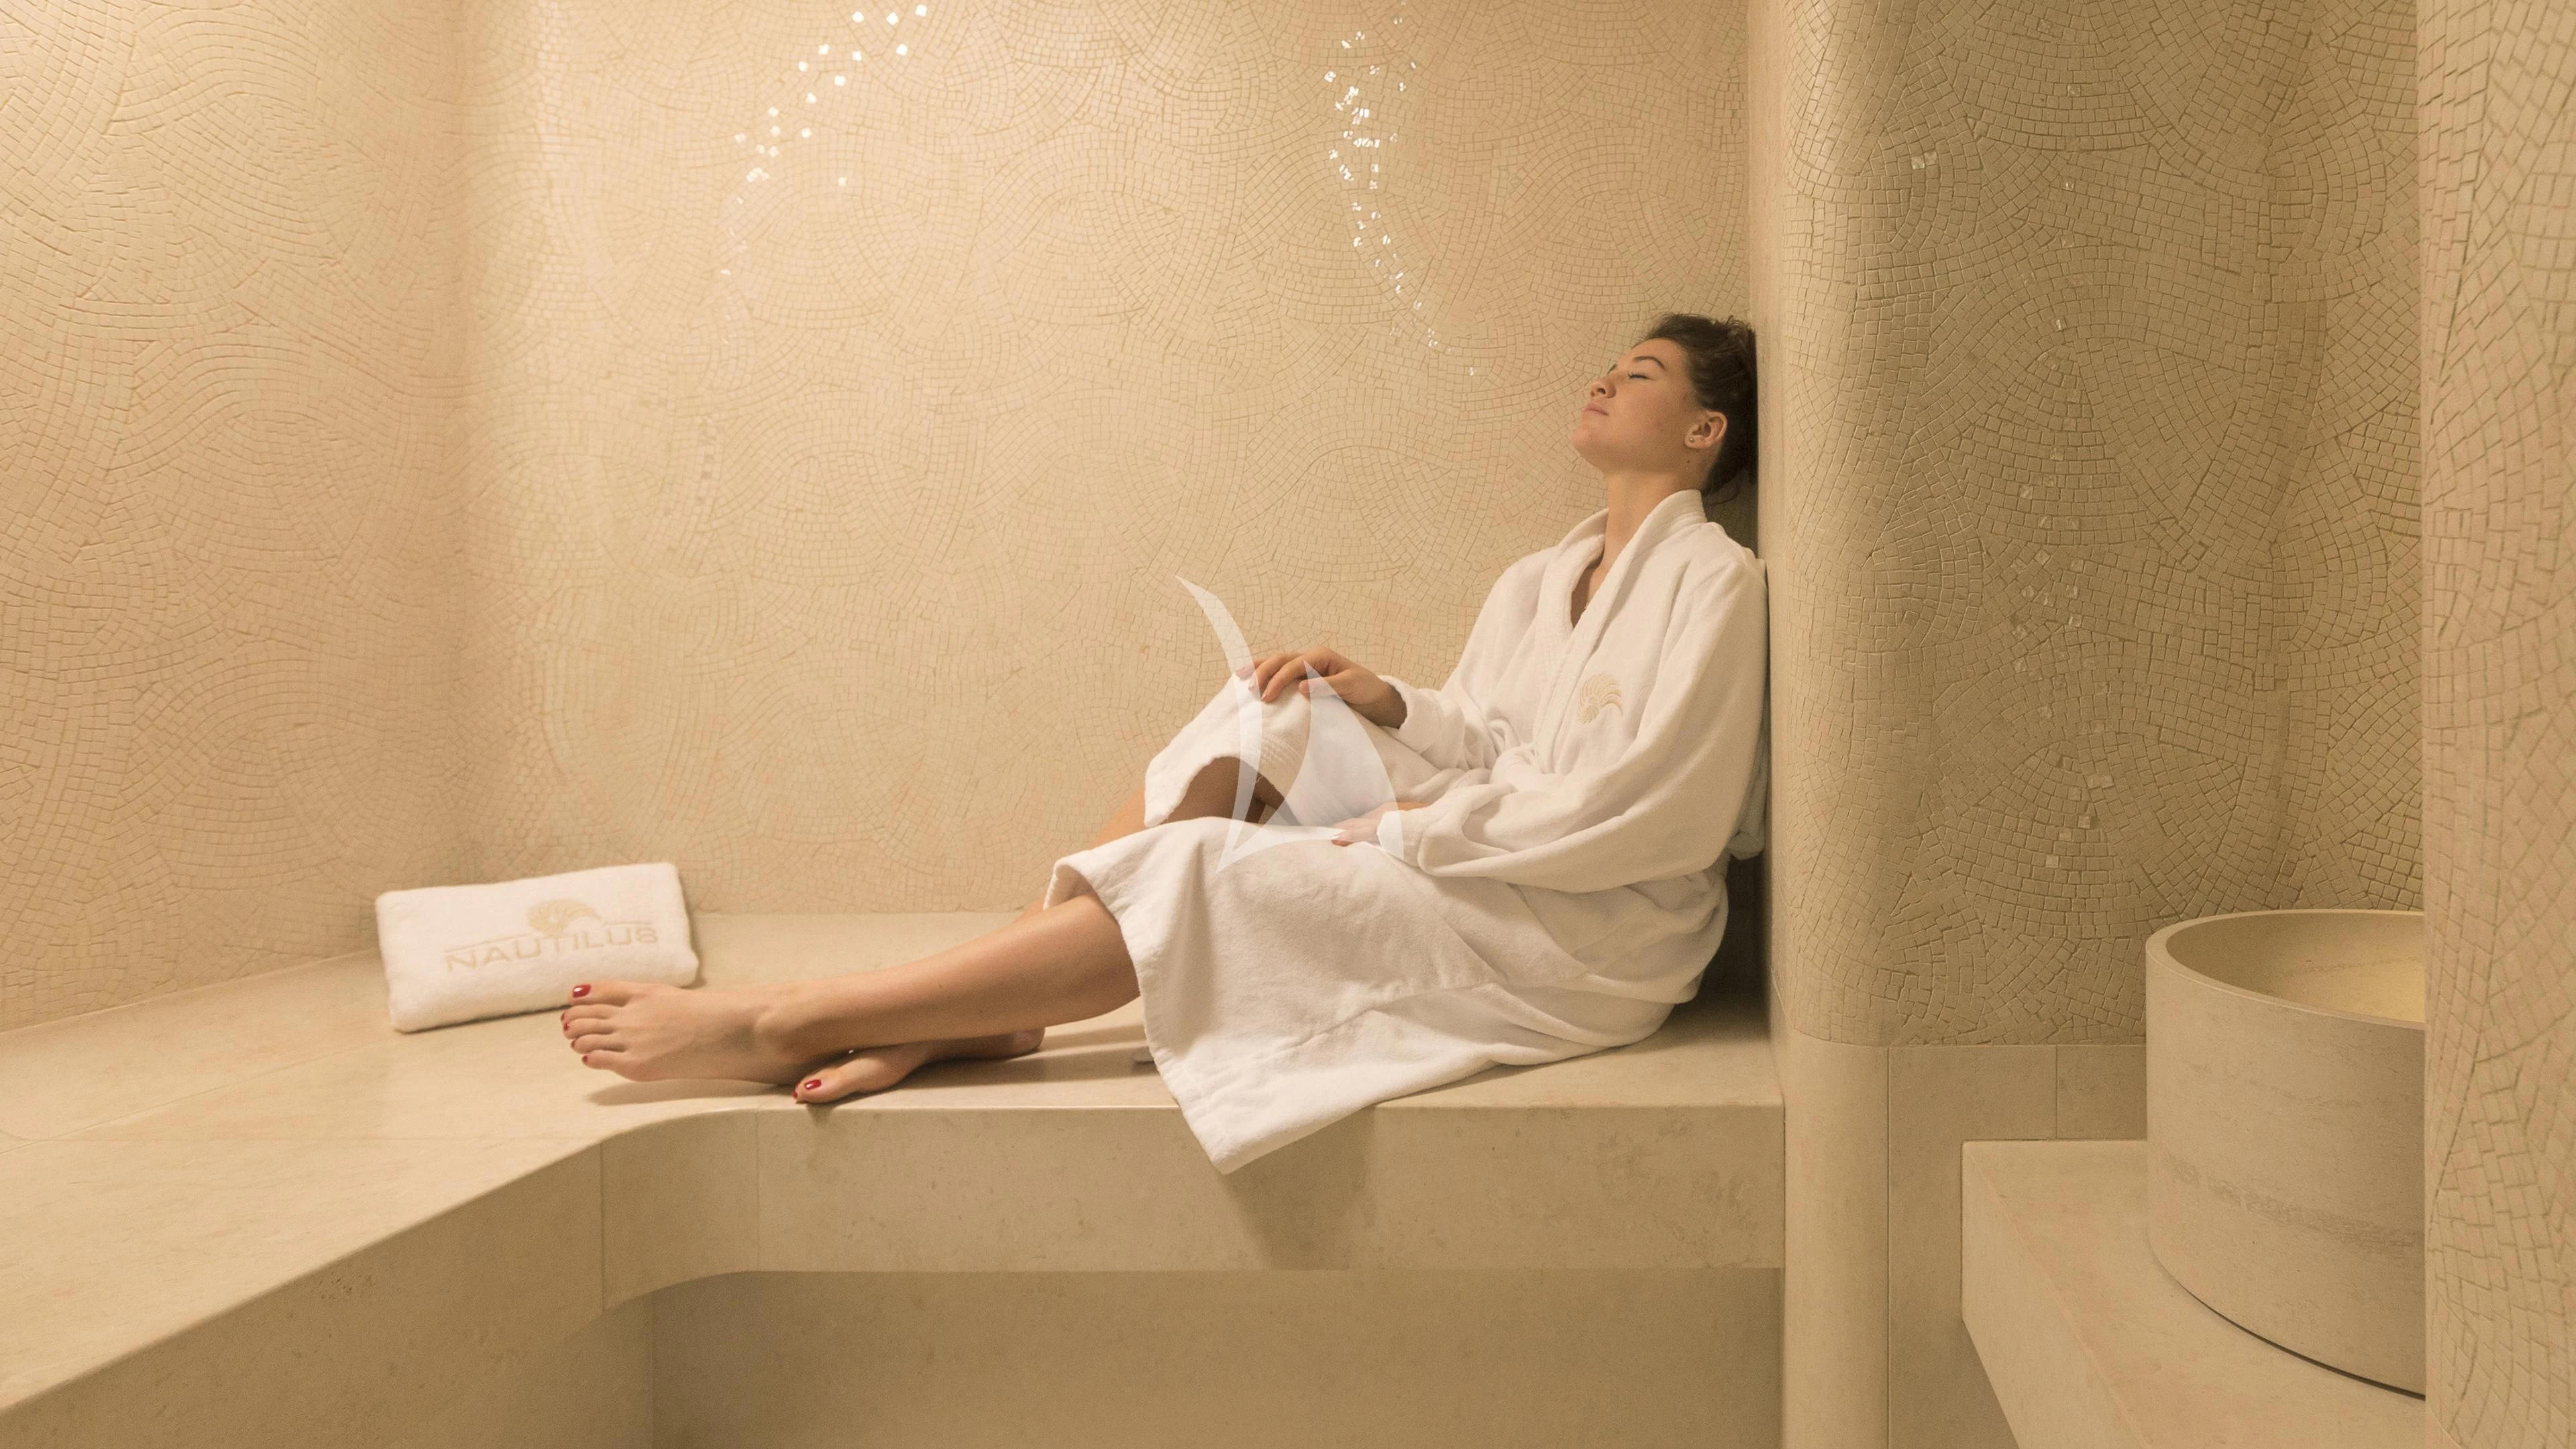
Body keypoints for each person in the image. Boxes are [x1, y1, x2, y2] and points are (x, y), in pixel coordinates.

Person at [556, 313, 1770, 1173]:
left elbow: (1660, 812)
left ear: (1705, 429)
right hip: (1494, 840)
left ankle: (795, 1019)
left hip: (1588, 929)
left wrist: (1412, 830)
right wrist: (1392, 703)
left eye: (1641, 373)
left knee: (1202, 869)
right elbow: (1492, 737)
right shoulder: (1543, 574)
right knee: (1278, 705)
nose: (1604, 380)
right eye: (1611, 365)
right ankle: (1000, 992)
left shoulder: (1715, 582)